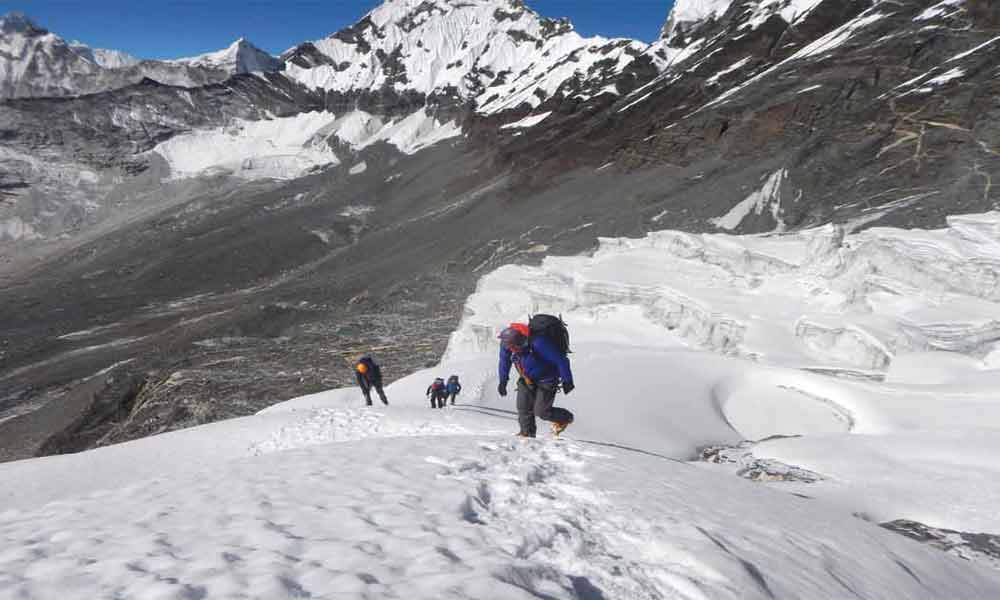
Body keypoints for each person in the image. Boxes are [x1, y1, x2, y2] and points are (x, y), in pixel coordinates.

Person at [497, 322, 574, 437]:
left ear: (518, 341)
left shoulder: (538, 343)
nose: (509, 348)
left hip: (547, 379)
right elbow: (504, 360)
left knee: (542, 411)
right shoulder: (507, 342)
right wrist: (503, 381)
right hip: (526, 378)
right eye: (507, 345)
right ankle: (527, 434)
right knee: (523, 407)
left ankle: (565, 418)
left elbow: (561, 360)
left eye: (511, 346)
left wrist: (567, 380)